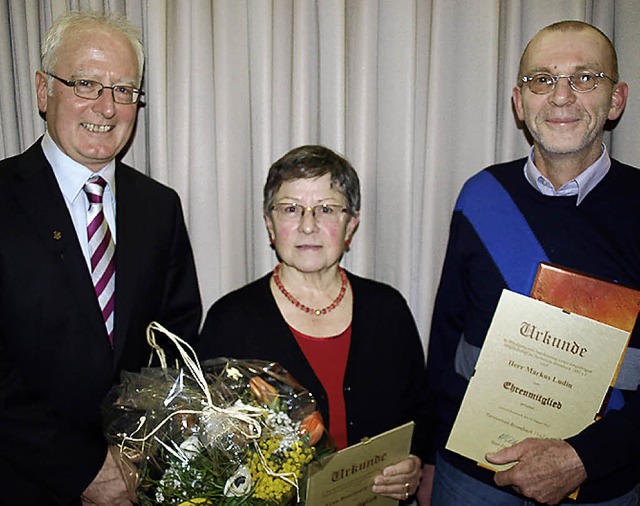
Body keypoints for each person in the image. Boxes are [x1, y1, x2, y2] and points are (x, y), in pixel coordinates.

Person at [420, 20, 640, 506]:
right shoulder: (480, 195)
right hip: (470, 476)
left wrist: (585, 457)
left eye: (585, 78)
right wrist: (430, 455)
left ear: (617, 100)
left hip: (602, 481)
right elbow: (446, 336)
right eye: (542, 79)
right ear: (520, 103)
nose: (561, 96)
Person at [0, 11, 202, 505]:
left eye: (125, 90)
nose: (107, 107)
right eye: (86, 83)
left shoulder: (160, 208)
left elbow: (177, 342)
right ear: (43, 90)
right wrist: (85, 469)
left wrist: (142, 454)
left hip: (138, 483)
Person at [197, 144, 428, 501]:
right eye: (291, 209)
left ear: (351, 224)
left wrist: (412, 465)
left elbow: (420, 419)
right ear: (269, 223)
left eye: (326, 209)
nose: (308, 225)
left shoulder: (389, 311)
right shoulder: (230, 321)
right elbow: (207, 449)